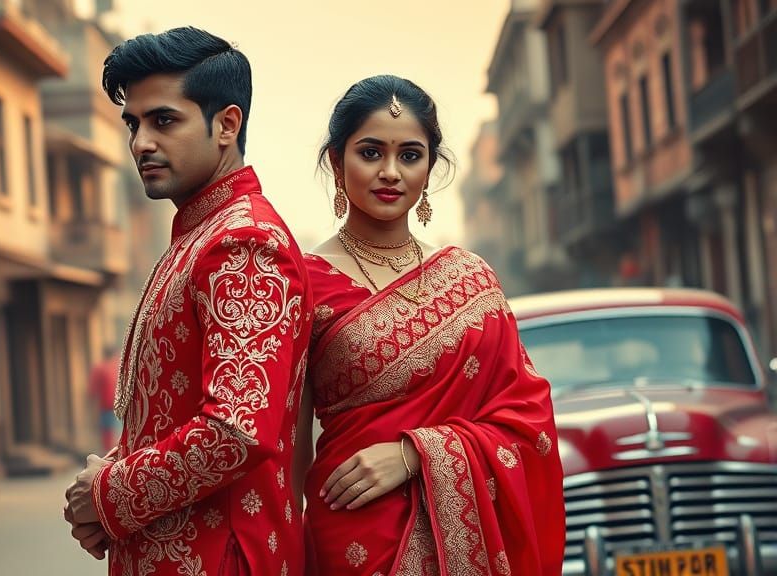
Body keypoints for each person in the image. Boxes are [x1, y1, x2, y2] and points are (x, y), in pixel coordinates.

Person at [63, 27, 313, 576]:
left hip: (222, 558)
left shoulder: (244, 243)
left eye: (164, 120)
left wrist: (109, 493)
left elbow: (237, 429)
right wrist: (105, 490)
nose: (140, 143)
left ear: (227, 124)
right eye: (133, 123)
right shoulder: (199, 237)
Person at [296, 75, 565, 575]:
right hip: (351, 532)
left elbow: (527, 420)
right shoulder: (302, 283)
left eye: (410, 155)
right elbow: (286, 449)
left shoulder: (470, 277)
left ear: (430, 166)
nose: (391, 173)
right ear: (337, 161)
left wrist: (416, 454)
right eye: (371, 153)